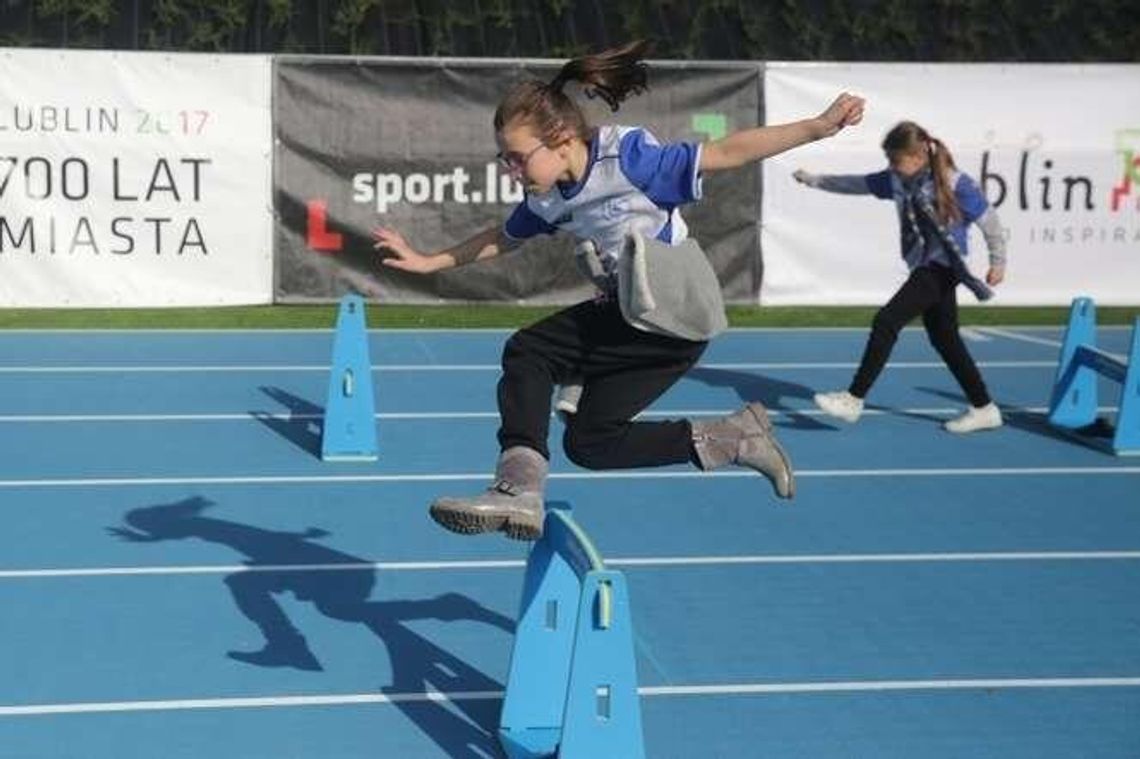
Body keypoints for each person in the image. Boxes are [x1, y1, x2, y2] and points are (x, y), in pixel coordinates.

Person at [373, 40, 864, 540]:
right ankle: (736, 438)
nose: (512, 172)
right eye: (505, 160)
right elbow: (503, 237)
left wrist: (817, 127)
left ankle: (518, 487)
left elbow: (726, 152)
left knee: (528, 352)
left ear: (562, 137)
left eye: (519, 159)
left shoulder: (628, 158)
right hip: (650, 332)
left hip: (674, 310)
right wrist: (429, 260)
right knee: (590, 444)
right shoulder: (548, 199)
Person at [793, 120, 1007, 434]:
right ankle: (985, 407)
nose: (891, 166)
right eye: (889, 161)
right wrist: (815, 180)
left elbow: (989, 221)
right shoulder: (896, 180)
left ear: (919, 156)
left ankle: (853, 399)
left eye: (896, 160)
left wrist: (997, 262)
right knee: (945, 340)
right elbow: (857, 184)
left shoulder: (954, 182)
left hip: (943, 267)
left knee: (886, 321)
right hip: (923, 265)